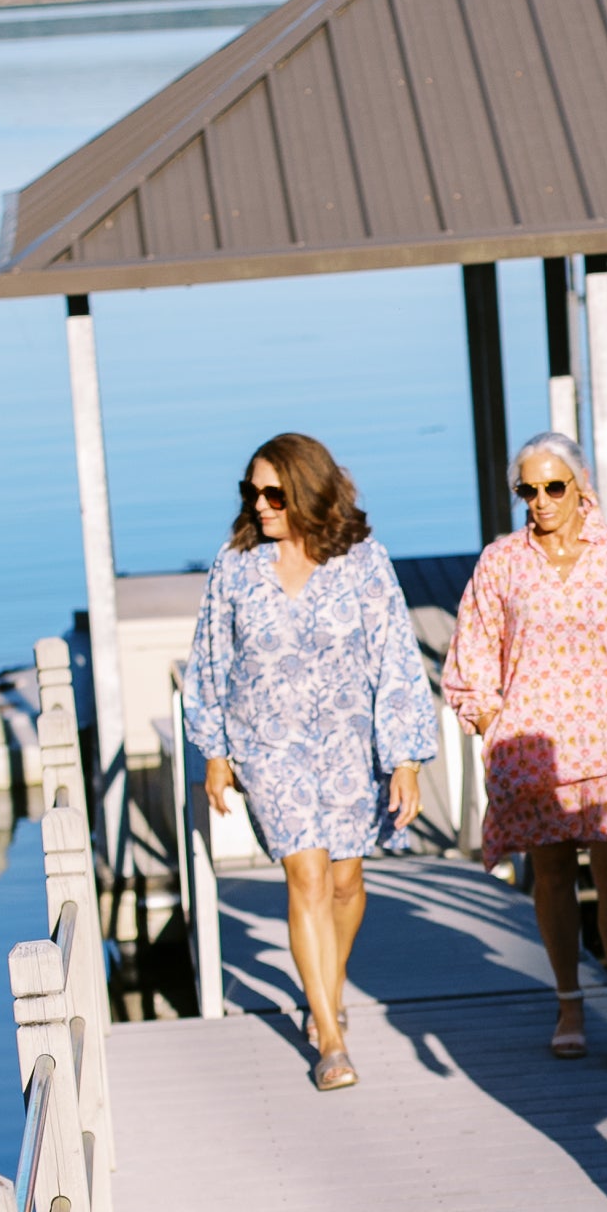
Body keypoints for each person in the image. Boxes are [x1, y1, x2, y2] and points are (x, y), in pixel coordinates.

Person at [182, 432, 437, 1091]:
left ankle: (328, 983)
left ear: (307, 491)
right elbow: (210, 659)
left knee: (347, 883)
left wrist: (405, 756)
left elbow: (397, 658)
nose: (260, 505)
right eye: (251, 493)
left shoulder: (362, 560)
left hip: (352, 746)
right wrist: (214, 750)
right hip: (269, 747)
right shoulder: (235, 564)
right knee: (307, 878)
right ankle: (329, 1035)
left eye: (273, 493)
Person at [443, 431, 607, 1069]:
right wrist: (487, 713)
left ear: (581, 488)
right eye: (529, 489)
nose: (541, 501)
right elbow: (473, 647)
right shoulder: (502, 561)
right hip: (535, 747)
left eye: (554, 487)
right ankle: (570, 1002)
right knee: (549, 876)